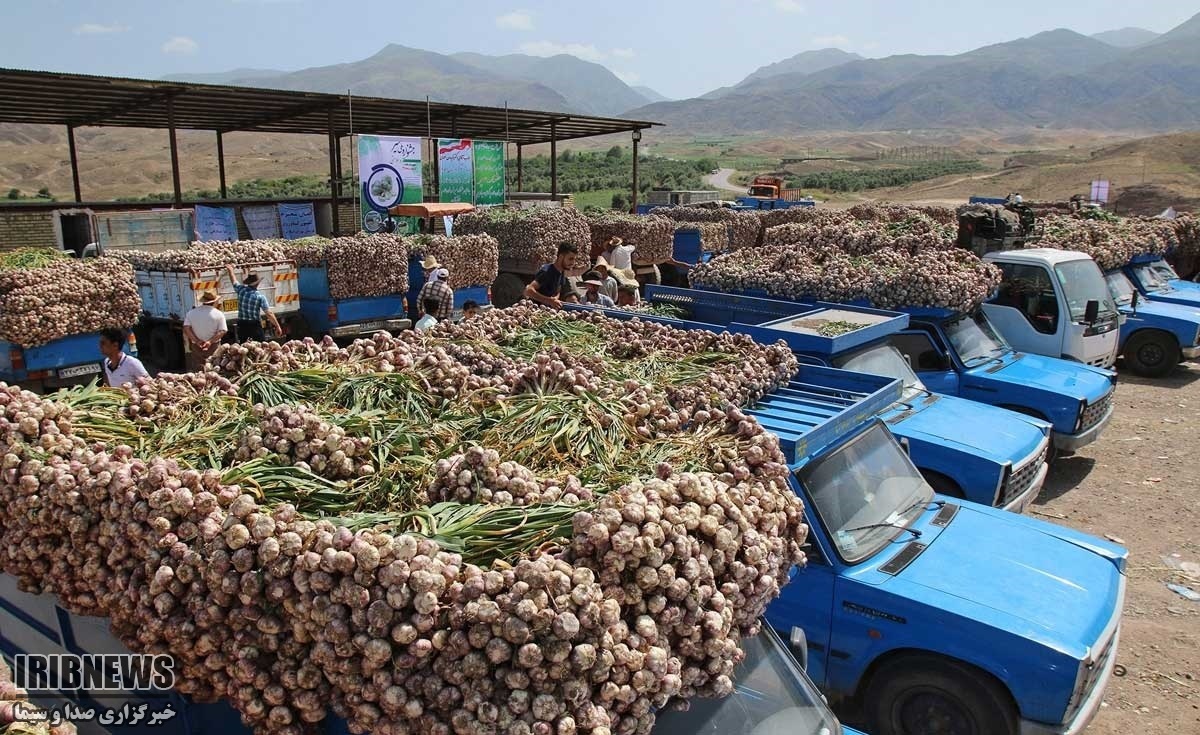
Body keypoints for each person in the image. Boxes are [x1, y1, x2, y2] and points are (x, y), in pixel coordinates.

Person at [226, 265, 282, 343]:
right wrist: (277, 326)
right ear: (257, 284)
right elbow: (269, 313)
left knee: (244, 347)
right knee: (260, 346)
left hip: (242, 325)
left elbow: (234, 280)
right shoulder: (260, 296)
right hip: (255, 326)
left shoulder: (241, 290)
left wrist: (230, 270)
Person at [182, 291, 228, 371]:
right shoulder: (219, 314)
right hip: (213, 346)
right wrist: (209, 342)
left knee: (199, 368)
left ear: (203, 302)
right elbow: (223, 331)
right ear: (214, 301)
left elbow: (186, 328)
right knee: (214, 369)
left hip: (197, 346)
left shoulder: (191, 313)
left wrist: (196, 341)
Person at [524, 242, 577, 309]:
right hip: (534, 309)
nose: (573, 263)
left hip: (548, 310)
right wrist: (549, 301)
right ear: (561, 257)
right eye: (570, 259)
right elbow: (528, 291)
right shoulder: (547, 271)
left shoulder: (562, 272)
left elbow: (557, 291)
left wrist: (555, 298)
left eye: (574, 259)